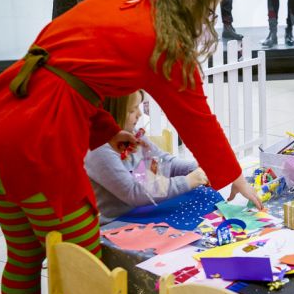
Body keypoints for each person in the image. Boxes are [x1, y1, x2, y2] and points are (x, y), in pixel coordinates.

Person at [0, 0, 261, 294]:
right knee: (81, 259)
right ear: (192, 0)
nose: (208, 21)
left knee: (24, 256)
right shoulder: (164, 41)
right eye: (210, 10)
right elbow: (198, 120)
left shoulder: (119, 1)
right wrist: (234, 177)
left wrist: (108, 130)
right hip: (35, 140)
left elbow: (65, 72)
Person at [85, 90, 208, 224]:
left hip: (142, 212)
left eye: (139, 107)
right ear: (110, 114)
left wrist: (196, 168)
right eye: (132, 110)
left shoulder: (134, 135)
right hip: (116, 224)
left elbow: (163, 161)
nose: (140, 114)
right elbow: (134, 193)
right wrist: (188, 181)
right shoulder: (98, 150)